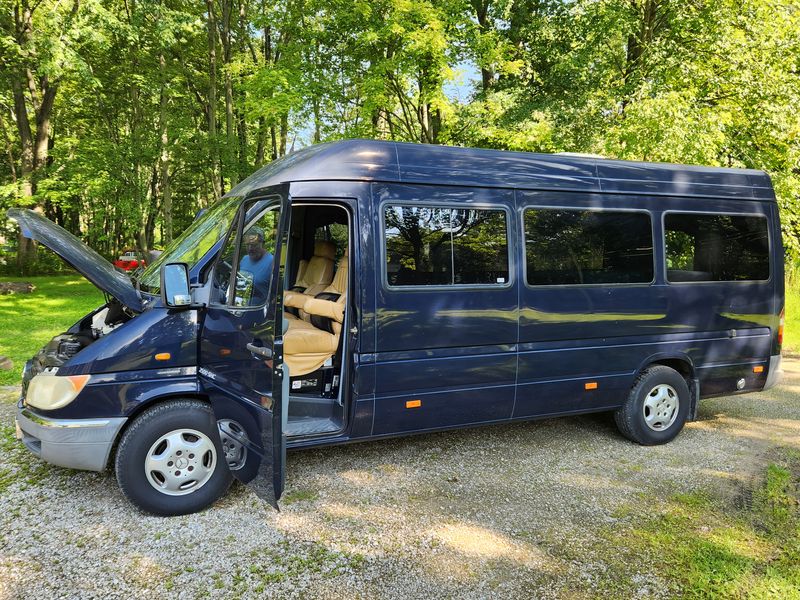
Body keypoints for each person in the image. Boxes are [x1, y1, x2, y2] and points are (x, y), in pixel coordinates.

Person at [238, 226, 274, 305]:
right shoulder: (244, 259)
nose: (250, 248)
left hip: (259, 310)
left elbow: (277, 294)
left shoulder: (272, 261)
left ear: (262, 243)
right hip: (241, 307)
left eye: (254, 245)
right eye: (247, 245)